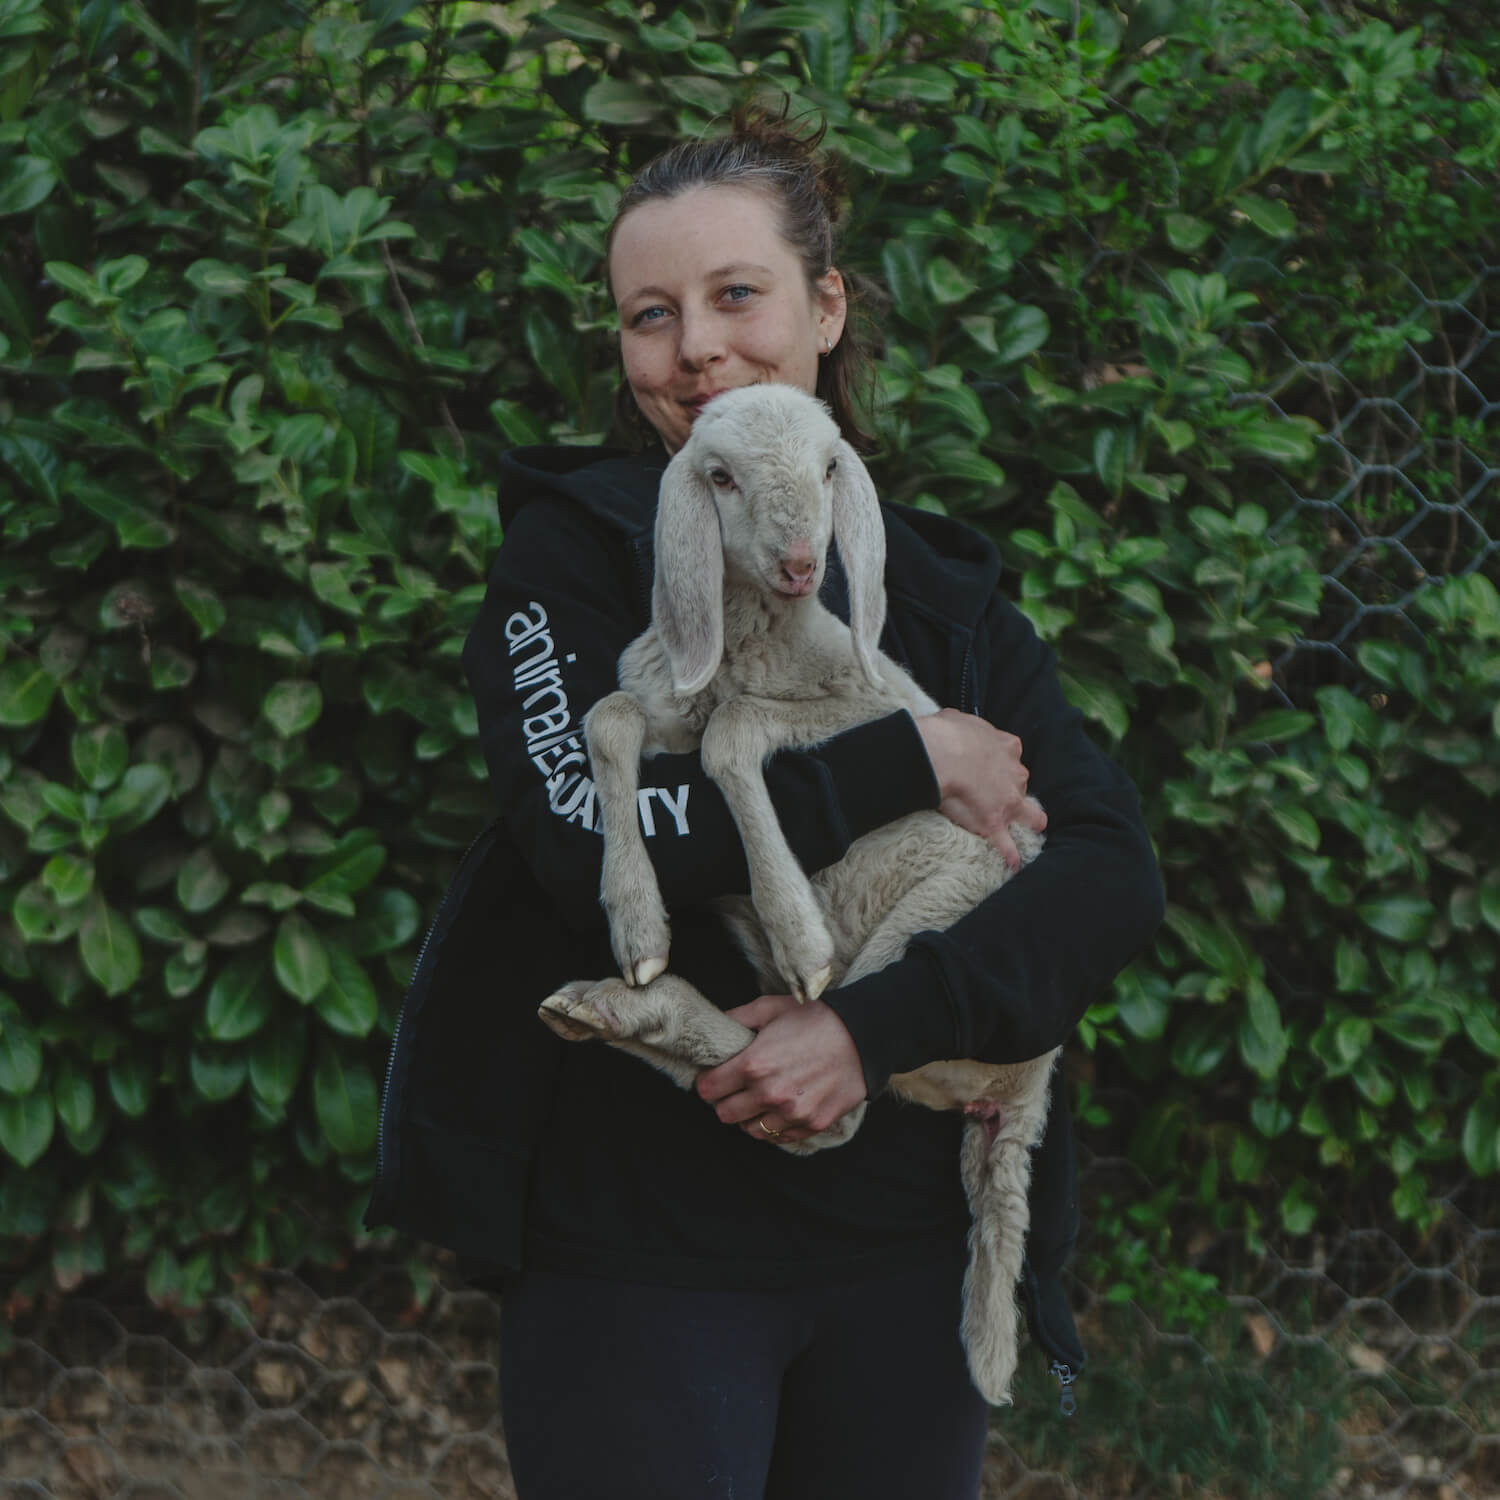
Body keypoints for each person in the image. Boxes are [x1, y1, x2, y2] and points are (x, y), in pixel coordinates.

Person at [366, 108, 1164, 1500]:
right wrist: (903, 766)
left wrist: (869, 1032)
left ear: (828, 305)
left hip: (902, 1260)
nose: (694, 351)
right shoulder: (576, 561)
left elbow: (1106, 873)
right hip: (640, 1264)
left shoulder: (945, 595)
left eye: (737, 295)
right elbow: (579, 843)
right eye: (649, 316)